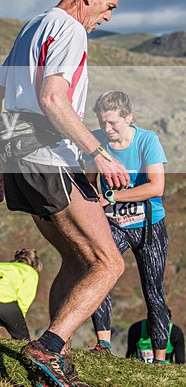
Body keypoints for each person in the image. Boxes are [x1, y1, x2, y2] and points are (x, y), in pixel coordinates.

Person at [0, 0, 130, 386]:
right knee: (108, 264)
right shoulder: (70, 29)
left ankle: (55, 353)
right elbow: (52, 98)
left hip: (19, 159)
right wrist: (98, 152)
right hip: (47, 156)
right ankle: (47, 348)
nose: (108, 17)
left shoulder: (34, 26)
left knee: (75, 258)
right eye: (109, 6)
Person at [86, 91, 171, 362]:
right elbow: (89, 183)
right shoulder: (97, 141)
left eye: (113, 123)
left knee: (153, 291)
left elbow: (156, 187)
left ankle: (159, 359)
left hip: (149, 226)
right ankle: (103, 345)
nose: (107, 129)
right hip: (114, 225)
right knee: (99, 274)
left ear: (129, 117)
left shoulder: (148, 140)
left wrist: (111, 196)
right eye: (102, 123)